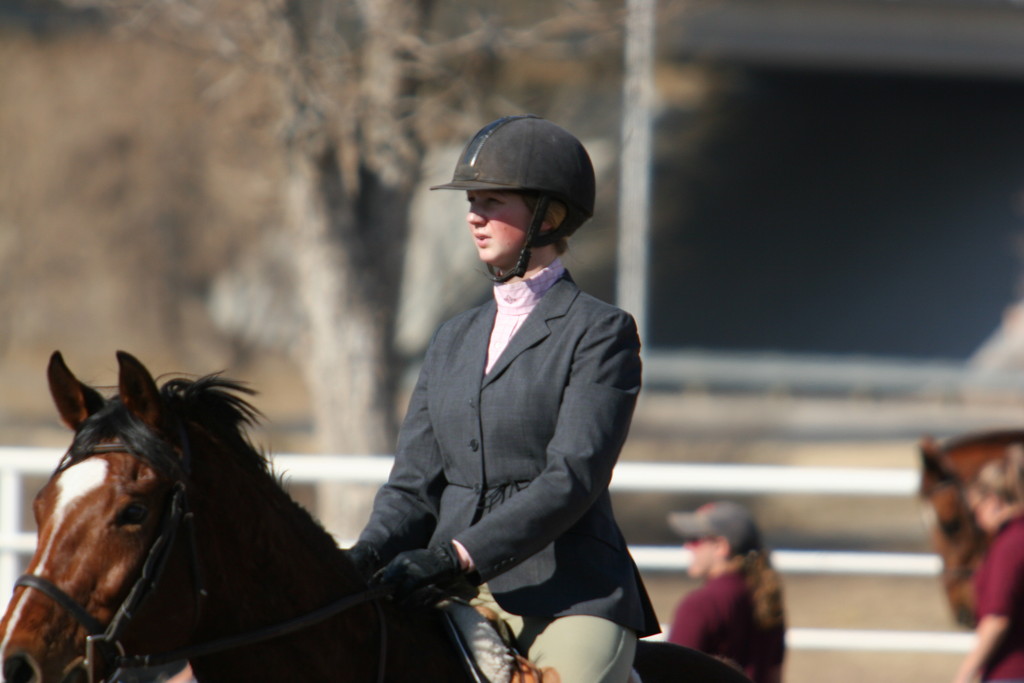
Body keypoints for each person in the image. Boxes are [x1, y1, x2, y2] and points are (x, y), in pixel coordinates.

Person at [346, 114, 660, 683]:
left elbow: (573, 477)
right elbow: (414, 484)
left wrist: (457, 557)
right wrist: (365, 554)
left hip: (568, 592)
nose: (474, 216)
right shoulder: (451, 338)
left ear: (550, 216)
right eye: (472, 201)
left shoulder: (599, 332)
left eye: (493, 201)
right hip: (450, 590)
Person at [666, 501, 785, 683]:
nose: (687, 546)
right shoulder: (766, 597)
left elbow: (669, 674)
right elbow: (774, 675)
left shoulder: (701, 604)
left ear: (721, 546)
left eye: (695, 539)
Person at [953, 447, 1024, 683]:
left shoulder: (1009, 544)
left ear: (993, 501)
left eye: (977, 510)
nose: (977, 521)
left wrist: (965, 673)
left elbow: (997, 617)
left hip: (1010, 672)